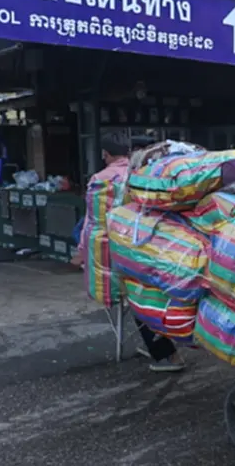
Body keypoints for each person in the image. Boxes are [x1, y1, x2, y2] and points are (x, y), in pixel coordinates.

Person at [75, 134, 184, 374]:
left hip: (113, 253)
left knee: (135, 302)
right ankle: (167, 350)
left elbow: (93, 223)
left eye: (104, 153)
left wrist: (83, 252)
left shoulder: (100, 180)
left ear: (107, 154)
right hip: (145, 248)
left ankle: (167, 355)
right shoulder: (142, 174)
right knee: (148, 297)